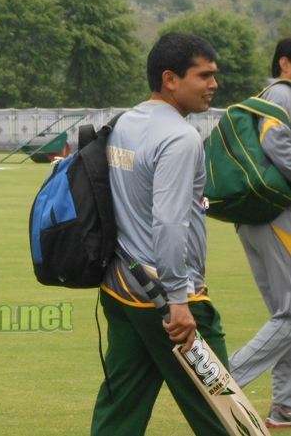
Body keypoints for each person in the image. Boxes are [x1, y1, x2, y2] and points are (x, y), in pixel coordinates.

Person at [90, 32, 230, 435]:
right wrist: (178, 300)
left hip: (120, 286)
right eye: (203, 76)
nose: (213, 85)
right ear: (171, 79)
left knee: (121, 409)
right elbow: (169, 223)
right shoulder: (180, 138)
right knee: (222, 410)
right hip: (169, 302)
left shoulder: (125, 122)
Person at [229, 37, 291, 429]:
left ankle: (284, 405)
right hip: (276, 217)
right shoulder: (282, 94)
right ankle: (225, 379)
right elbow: (275, 139)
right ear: (285, 63)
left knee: (283, 316)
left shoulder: (266, 94)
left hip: (255, 217)